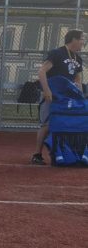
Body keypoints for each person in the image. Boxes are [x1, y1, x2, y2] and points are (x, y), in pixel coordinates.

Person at [31, 29, 84, 164]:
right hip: (52, 95)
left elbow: (78, 79)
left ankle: (63, 153)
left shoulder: (78, 58)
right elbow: (42, 71)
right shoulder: (57, 53)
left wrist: (80, 95)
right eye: (81, 39)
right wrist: (47, 90)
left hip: (67, 99)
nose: (83, 42)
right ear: (73, 39)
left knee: (66, 124)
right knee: (47, 124)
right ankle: (37, 154)